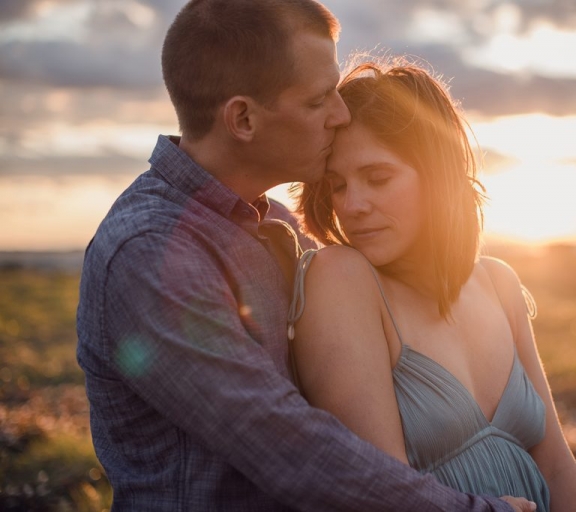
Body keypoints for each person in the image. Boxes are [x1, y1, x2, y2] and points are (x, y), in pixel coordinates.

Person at [75, 0, 525, 510]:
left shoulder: (274, 224)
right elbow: (287, 448)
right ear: (242, 118)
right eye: (318, 101)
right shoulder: (149, 253)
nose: (341, 113)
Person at [289, 60, 576, 512]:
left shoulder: (499, 282)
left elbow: (556, 466)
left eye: (378, 178)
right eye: (337, 185)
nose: (352, 206)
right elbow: (381, 490)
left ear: (436, 177)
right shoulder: (341, 280)